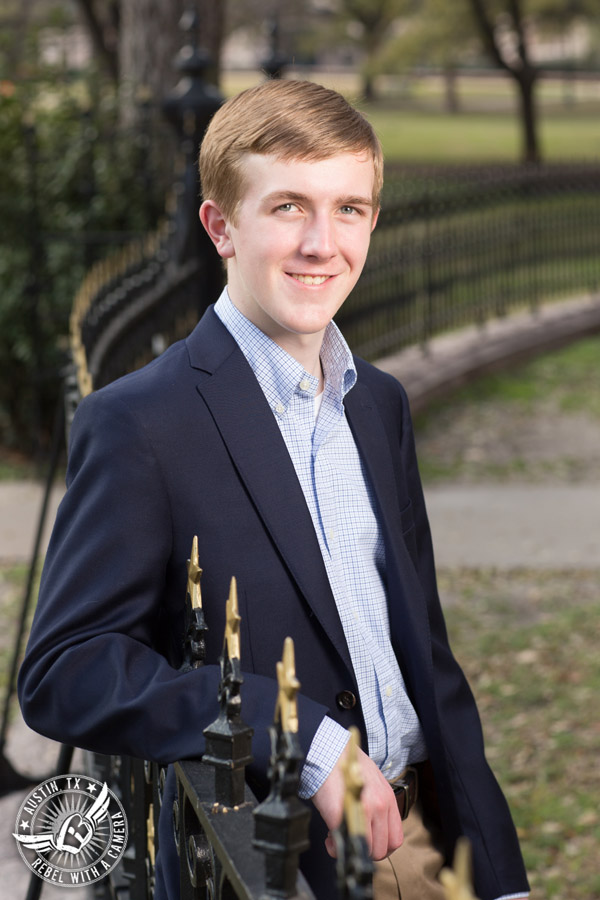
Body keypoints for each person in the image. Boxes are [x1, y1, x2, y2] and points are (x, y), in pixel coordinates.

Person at [18, 79, 529, 900]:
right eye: (289, 206)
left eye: (350, 209)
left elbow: (423, 658)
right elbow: (65, 671)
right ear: (221, 226)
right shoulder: (142, 423)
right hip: (280, 858)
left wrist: (498, 872)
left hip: (424, 834)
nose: (323, 243)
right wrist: (301, 734)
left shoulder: (378, 402)